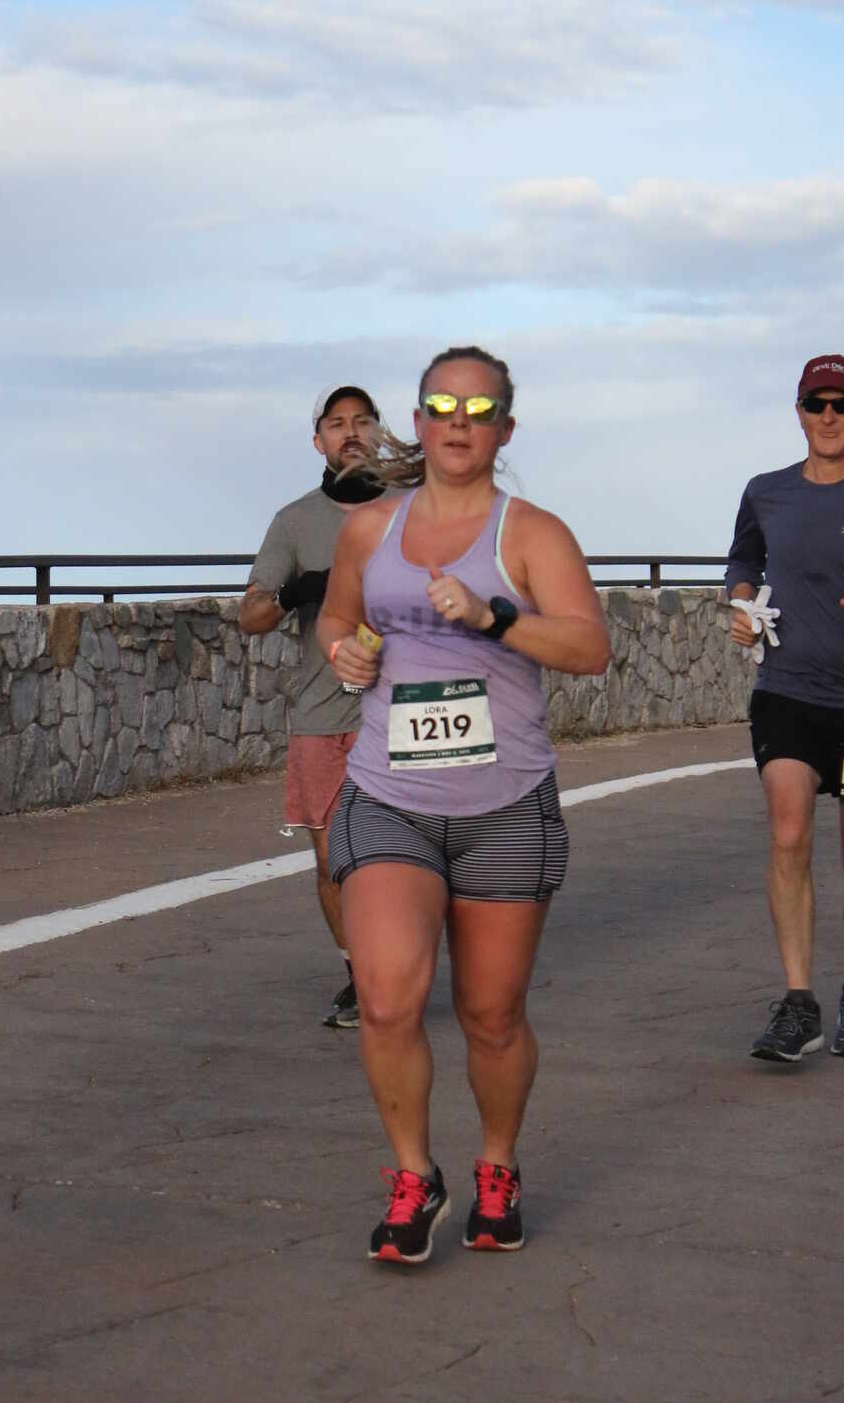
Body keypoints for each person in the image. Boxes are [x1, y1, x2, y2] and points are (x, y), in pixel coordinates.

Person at [315, 346, 610, 1264]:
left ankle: (497, 1165)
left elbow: (589, 649)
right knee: (386, 999)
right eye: (441, 405)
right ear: (418, 419)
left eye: (478, 410)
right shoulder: (369, 529)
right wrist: (342, 651)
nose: (458, 421)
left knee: (491, 1017)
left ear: (504, 429)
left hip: (504, 804)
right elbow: (335, 617)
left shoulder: (532, 535)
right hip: (389, 796)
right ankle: (413, 1176)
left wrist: (494, 617)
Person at [726, 354, 844, 1063]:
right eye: (816, 404)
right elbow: (743, 563)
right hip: (788, 693)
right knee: (788, 831)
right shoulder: (765, 492)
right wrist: (740, 605)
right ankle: (799, 1003)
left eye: (842, 404)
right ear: (798, 412)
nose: (829, 416)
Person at [240, 384, 385, 1027]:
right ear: (318, 440)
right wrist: (297, 590)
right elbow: (250, 615)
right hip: (324, 718)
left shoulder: (414, 509)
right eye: (336, 423)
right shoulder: (295, 521)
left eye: (362, 421)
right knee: (334, 862)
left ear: (379, 432)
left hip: (401, 716)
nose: (350, 432)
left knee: (403, 857)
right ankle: (362, 977)